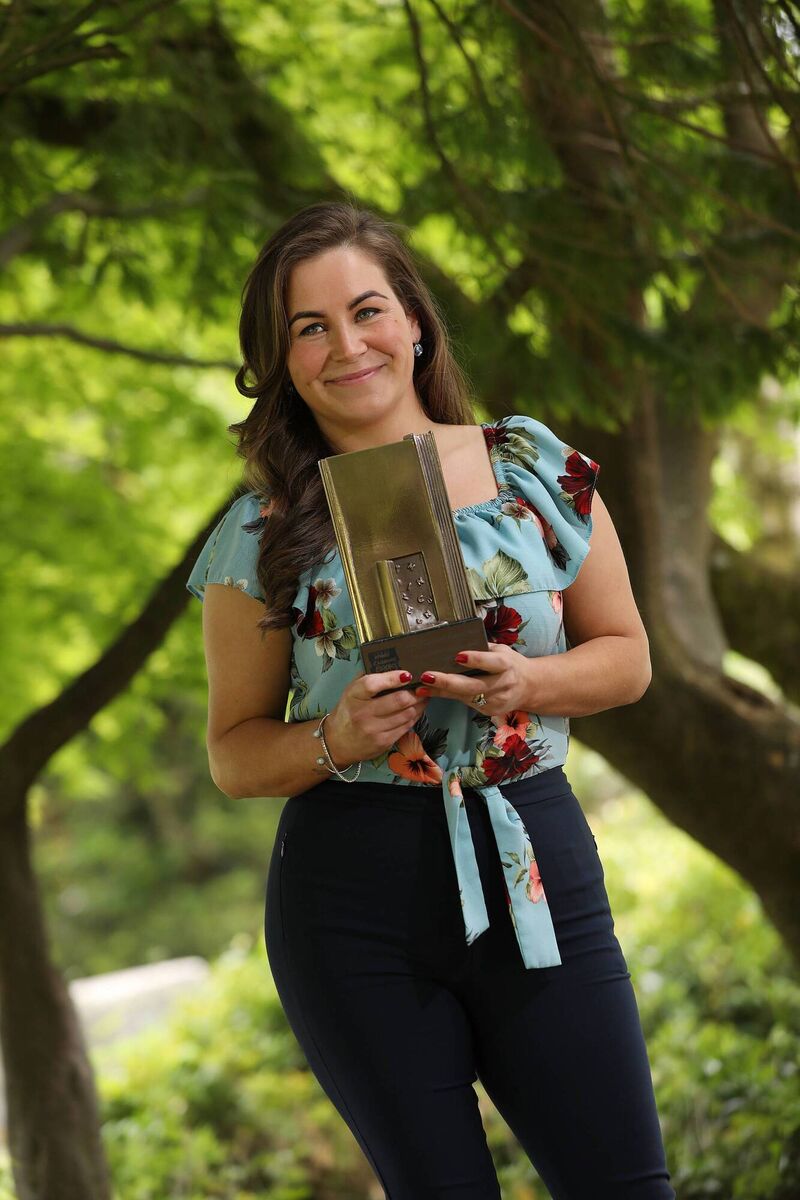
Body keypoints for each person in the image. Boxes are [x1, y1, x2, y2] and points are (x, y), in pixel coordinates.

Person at [185, 200, 676, 1199]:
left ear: (412, 320)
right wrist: (333, 736)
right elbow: (233, 756)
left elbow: (625, 658)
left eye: (365, 310)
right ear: (278, 361)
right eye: (306, 328)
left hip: (530, 854)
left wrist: (528, 682)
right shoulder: (259, 532)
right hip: (348, 897)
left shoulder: (531, 468)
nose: (345, 345)